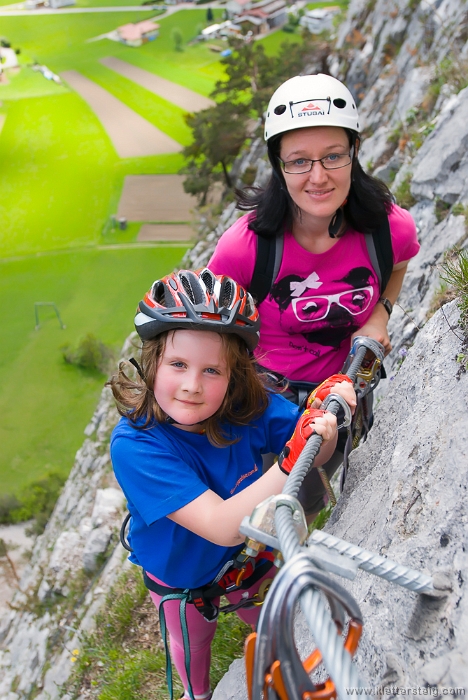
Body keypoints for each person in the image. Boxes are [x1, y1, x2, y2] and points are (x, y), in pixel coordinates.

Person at [109, 268, 356, 700]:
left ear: (234, 376)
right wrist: (291, 459)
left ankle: (292, 655)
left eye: (212, 371)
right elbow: (222, 524)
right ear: (152, 364)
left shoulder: (246, 405)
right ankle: (197, 693)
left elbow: (308, 441)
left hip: (249, 557)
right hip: (182, 579)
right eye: (178, 364)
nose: (191, 385)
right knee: (192, 642)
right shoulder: (135, 445)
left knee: (275, 616)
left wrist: (325, 422)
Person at [207, 73, 420, 512]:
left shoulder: (387, 228)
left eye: (333, 156)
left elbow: (399, 263)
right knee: (265, 515)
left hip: (343, 396)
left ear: (354, 152)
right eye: (299, 161)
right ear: (278, 165)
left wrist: (379, 314)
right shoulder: (246, 248)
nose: (318, 177)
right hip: (265, 408)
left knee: (315, 503)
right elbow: (209, 325)